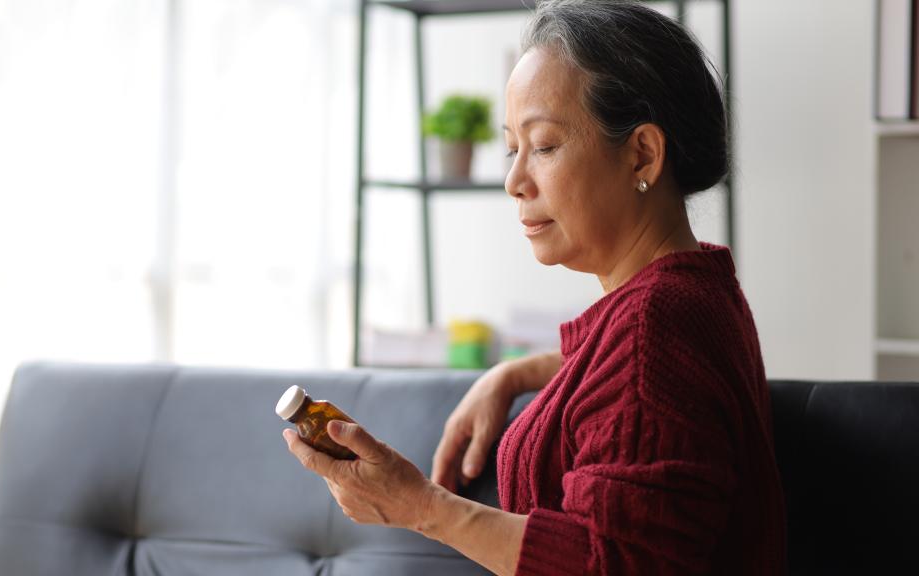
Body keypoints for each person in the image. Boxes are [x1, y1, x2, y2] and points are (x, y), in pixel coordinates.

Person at [283, 0, 788, 574]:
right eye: (511, 148)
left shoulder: (657, 327)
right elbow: (624, 383)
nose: (514, 181)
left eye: (544, 145)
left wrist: (420, 506)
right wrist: (515, 373)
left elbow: (614, 563)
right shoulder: (690, 294)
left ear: (642, 154)